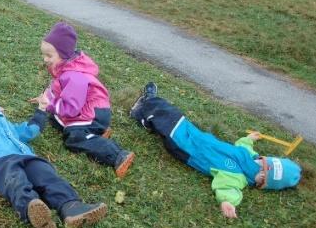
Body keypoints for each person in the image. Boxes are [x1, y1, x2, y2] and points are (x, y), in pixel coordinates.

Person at [129, 83, 302, 219]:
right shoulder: (250, 156)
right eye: (263, 164)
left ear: (262, 183)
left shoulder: (236, 177)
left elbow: (228, 189)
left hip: (188, 149)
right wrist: (250, 139)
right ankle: (145, 115)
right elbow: (244, 145)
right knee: (175, 118)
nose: (259, 167)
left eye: (262, 174)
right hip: (198, 137)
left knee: (170, 120)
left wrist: (227, 202)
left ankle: (147, 102)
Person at [0, 99, 107, 228]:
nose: (1, 108)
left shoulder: (8, 125)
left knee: (48, 176)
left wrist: (41, 109)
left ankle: (71, 207)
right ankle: (31, 207)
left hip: (26, 155)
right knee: (14, 180)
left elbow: (30, 131)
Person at [31, 22, 135, 178]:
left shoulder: (74, 77)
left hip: (93, 114)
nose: (45, 59)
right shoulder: (64, 66)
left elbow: (71, 108)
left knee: (73, 138)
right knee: (55, 119)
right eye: (44, 54)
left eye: (49, 55)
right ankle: (95, 131)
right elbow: (58, 89)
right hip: (84, 109)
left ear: (63, 54)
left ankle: (117, 154)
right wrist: (46, 97)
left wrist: (50, 104)